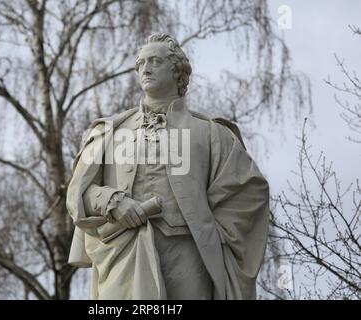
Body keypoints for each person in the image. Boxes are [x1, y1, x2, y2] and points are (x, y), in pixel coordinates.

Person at [66, 33, 270, 300]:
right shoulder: (110, 132)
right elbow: (80, 191)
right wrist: (113, 202)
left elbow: (248, 193)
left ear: (177, 71)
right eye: (140, 63)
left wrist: (212, 233)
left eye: (155, 61)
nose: (145, 68)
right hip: (124, 255)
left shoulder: (212, 134)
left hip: (188, 256)